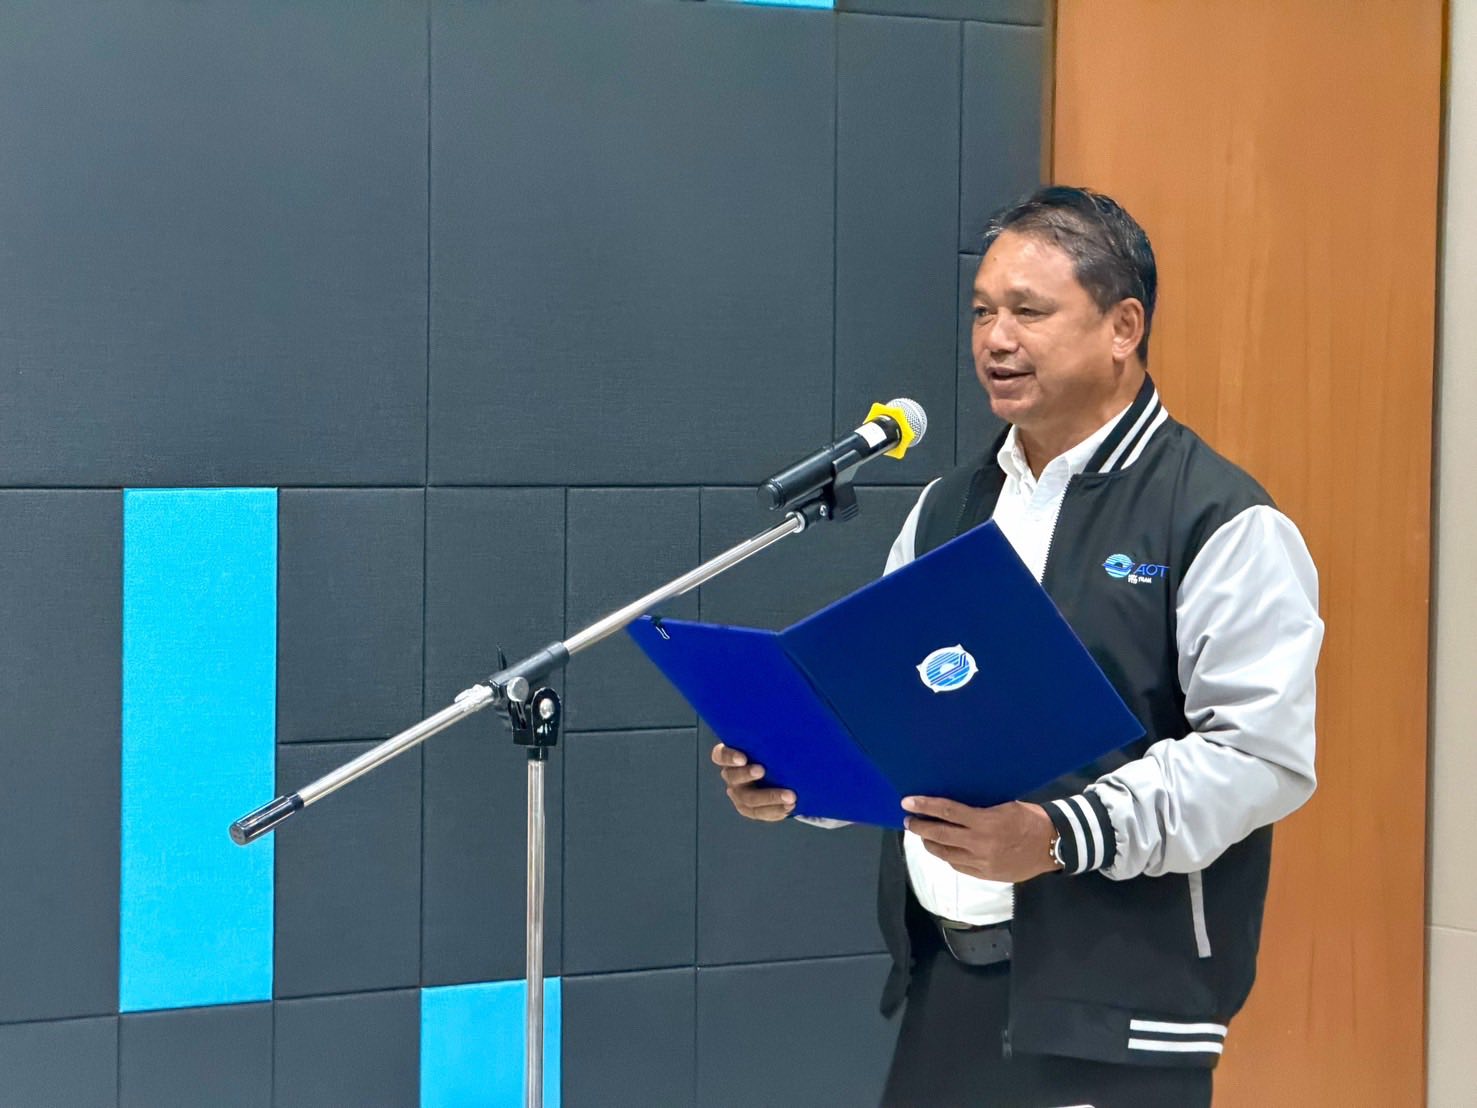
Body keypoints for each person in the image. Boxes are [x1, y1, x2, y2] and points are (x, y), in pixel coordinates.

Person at [710, 186, 1324, 1107]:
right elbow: (894, 711)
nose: (994, 339)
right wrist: (801, 778)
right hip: (944, 982)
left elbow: (1258, 756)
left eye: (1028, 311)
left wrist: (1058, 835)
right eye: (981, 311)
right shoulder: (947, 508)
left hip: (1115, 1009)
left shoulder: (1215, 518)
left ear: (1122, 327)